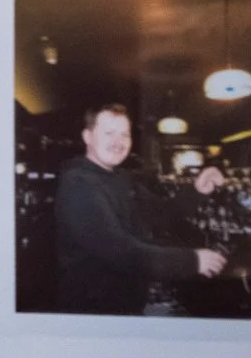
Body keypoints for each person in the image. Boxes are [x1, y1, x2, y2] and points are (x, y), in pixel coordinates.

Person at [52, 102, 228, 314]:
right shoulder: (79, 186)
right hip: (94, 312)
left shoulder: (120, 177)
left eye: (125, 134)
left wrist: (198, 190)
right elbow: (121, 252)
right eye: (109, 133)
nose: (119, 142)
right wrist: (192, 261)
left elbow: (163, 213)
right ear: (87, 137)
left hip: (126, 302)